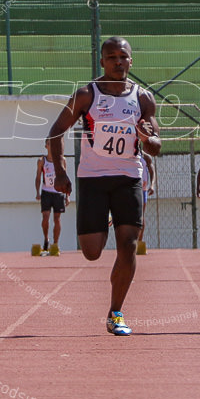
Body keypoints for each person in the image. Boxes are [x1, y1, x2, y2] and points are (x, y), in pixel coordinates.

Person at [47, 37, 161, 335]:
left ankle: (116, 312)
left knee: (128, 245)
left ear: (131, 61)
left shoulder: (143, 98)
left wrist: (148, 137)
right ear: (102, 62)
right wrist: (60, 172)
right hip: (93, 179)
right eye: (112, 57)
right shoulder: (87, 95)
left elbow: (156, 147)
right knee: (92, 252)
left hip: (128, 177)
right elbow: (55, 132)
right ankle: (107, 217)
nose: (118, 62)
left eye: (123, 56)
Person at [35, 138, 68, 254]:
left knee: (57, 218)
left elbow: (65, 178)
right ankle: (46, 239)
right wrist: (37, 192)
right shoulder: (42, 161)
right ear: (46, 146)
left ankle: (55, 243)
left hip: (58, 193)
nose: (51, 146)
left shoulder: (62, 160)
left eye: (53, 144)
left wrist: (67, 195)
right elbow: (38, 177)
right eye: (49, 144)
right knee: (45, 217)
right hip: (46, 192)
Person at [136, 152, 155, 255]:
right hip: (131, 188)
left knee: (141, 217)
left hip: (142, 189)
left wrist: (152, 185)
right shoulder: (128, 153)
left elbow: (152, 171)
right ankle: (129, 244)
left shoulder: (146, 156)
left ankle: (139, 243)